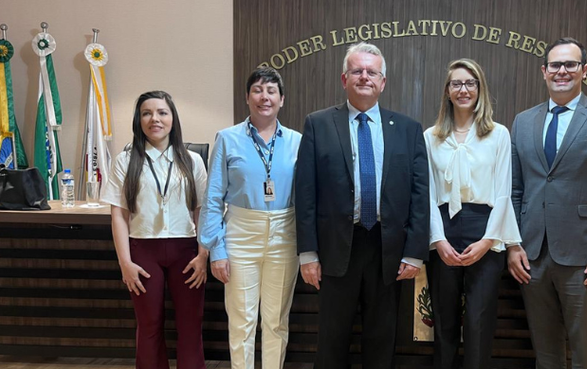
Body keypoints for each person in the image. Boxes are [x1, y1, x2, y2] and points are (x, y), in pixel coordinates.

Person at [295, 42, 429, 369]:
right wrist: (308, 254)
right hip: (337, 248)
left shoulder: (409, 130)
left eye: (372, 72)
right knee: (331, 340)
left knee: (382, 340)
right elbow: (305, 192)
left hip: (388, 249)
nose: (364, 77)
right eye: (357, 71)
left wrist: (414, 252)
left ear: (383, 82)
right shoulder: (319, 123)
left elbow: (419, 195)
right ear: (344, 79)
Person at [507, 37, 587, 369]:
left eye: (570, 64)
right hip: (532, 256)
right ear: (544, 71)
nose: (562, 71)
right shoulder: (523, 121)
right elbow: (516, 189)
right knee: (545, 352)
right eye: (555, 65)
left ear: (584, 71)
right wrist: (513, 244)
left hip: (585, 256)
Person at [197, 66, 302, 369]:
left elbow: (306, 198)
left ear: (282, 99)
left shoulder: (297, 141)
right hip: (241, 234)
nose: (264, 97)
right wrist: (216, 250)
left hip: (285, 233)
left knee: (276, 321)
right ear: (247, 97)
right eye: (257, 90)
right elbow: (213, 198)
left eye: (271, 91)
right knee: (242, 321)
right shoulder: (228, 139)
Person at [424, 58, 522, 369]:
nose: (463, 89)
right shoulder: (432, 136)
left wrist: (488, 241)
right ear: (447, 91)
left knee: (479, 323)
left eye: (470, 83)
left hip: (485, 231)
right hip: (444, 232)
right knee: (444, 322)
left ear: (480, 89)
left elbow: (504, 192)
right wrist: (438, 240)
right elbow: (426, 196)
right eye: (457, 83)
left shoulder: (498, 134)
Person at [102, 90, 208, 369]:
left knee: (190, 325)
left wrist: (203, 255)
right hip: (142, 251)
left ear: (173, 118)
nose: (155, 119)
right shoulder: (125, 161)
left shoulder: (192, 160)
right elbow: (118, 214)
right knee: (148, 326)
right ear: (139, 120)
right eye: (147, 113)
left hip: (187, 251)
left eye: (162, 112)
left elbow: (202, 210)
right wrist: (125, 263)